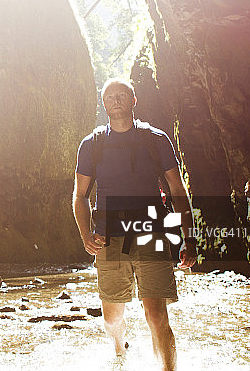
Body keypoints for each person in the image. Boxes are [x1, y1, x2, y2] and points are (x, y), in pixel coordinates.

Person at [72, 78, 197, 371]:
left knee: (156, 315)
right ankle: (119, 350)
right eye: (110, 97)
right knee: (112, 316)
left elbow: (178, 191)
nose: (116, 100)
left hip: (152, 235)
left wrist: (189, 240)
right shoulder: (92, 144)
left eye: (122, 95)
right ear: (104, 104)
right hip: (109, 238)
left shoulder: (156, 139)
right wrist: (85, 234)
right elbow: (79, 195)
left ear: (133, 100)